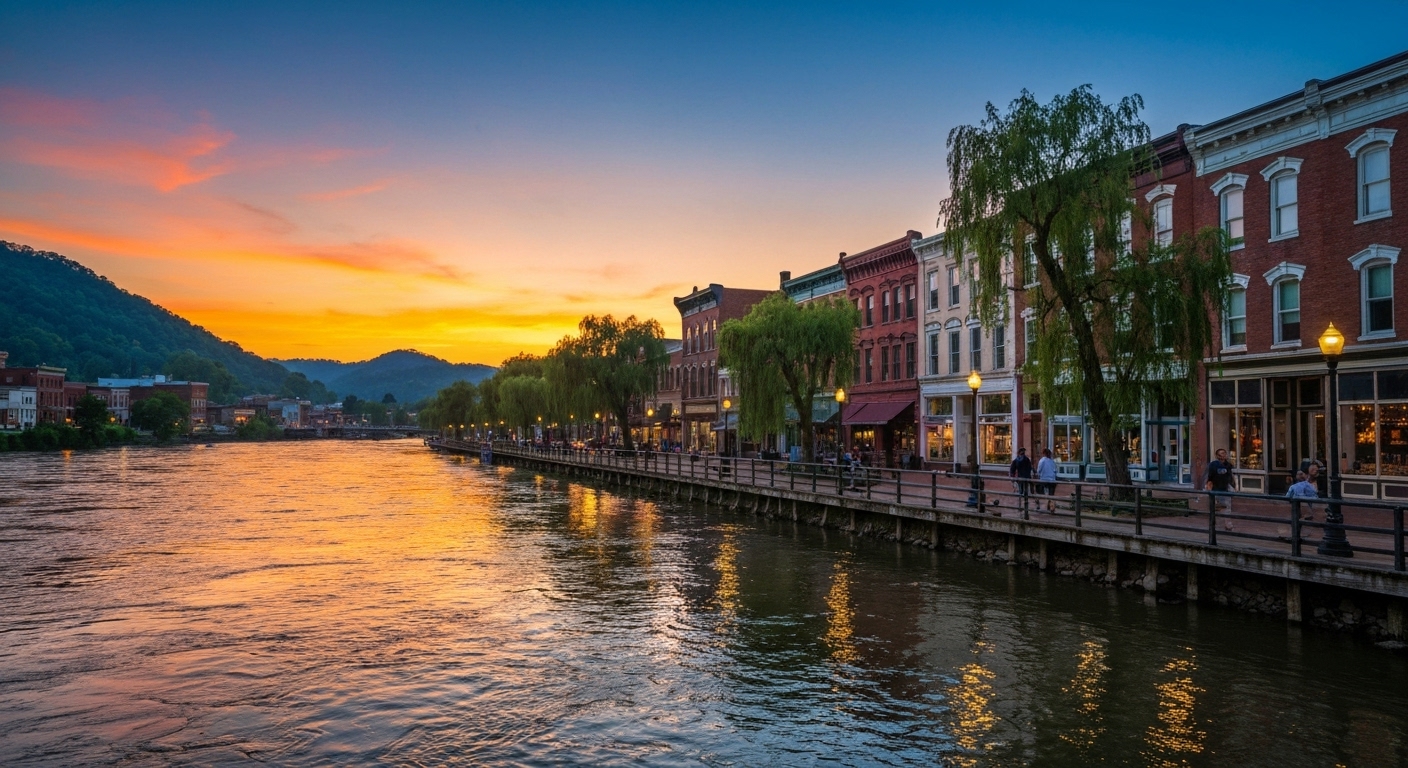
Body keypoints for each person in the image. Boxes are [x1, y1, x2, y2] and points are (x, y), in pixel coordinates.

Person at [1205, 447, 1235, 529]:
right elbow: (1209, 477)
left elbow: (1231, 476)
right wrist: (1209, 487)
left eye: (1224, 453)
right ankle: (1213, 523)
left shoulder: (1228, 465)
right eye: (1221, 454)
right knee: (1216, 507)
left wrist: (1234, 486)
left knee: (1227, 507)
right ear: (1217, 455)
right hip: (1216, 489)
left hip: (1225, 489)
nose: (1223, 455)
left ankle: (1228, 524)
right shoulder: (1213, 465)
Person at [1036, 448, 1058, 512]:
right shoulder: (1052, 461)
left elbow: (1039, 470)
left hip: (1044, 479)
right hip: (1052, 480)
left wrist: (1039, 474)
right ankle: (1051, 506)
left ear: (1043, 454)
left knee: (1039, 492)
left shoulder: (1042, 461)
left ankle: (1038, 504)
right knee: (1051, 494)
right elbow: (1055, 470)